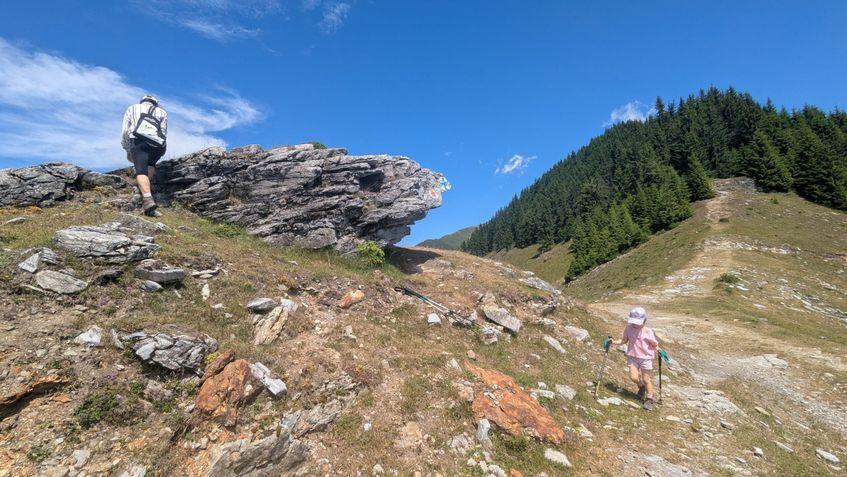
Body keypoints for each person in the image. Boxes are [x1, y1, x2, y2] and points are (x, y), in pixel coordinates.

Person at [121, 95, 168, 215]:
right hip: (156, 144)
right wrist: (162, 148)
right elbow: (163, 131)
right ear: (155, 103)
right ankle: (145, 191)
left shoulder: (132, 108)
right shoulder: (162, 112)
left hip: (138, 140)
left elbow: (125, 130)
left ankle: (147, 199)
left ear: (142, 101)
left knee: (141, 170)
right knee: (150, 165)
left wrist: (127, 149)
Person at [608, 307, 661, 410]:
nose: (635, 324)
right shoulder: (628, 328)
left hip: (645, 358)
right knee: (633, 377)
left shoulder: (648, 331)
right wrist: (613, 342)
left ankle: (649, 398)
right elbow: (624, 340)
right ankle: (641, 386)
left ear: (644, 321)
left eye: (638, 322)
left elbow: (654, 344)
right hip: (633, 356)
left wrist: (659, 350)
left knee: (646, 379)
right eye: (633, 322)